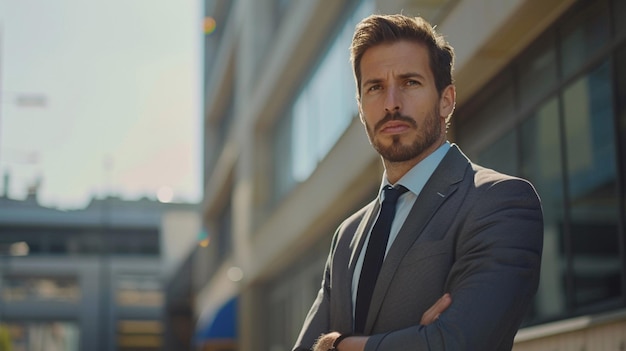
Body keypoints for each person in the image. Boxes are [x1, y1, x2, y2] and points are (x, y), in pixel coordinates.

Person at [292, 13, 543, 351]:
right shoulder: (347, 237)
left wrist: (339, 346)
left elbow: (457, 344)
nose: (392, 103)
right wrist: (412, 340)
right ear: (361, 106)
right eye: (375, 87)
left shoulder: (500, 202)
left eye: (410, 82)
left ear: (446, 100)